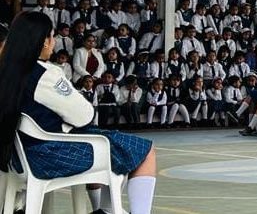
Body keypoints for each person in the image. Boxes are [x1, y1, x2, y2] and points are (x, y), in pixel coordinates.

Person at [0, 12, 157, 214]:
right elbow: (84, 115)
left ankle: (105, 210)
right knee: (144, 151)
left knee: (111, 144)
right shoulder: (44, 74)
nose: (54, 43)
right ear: (43, 42)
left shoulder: (7, 71)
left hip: (19, 158)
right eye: (52, 37)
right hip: (50, 155)